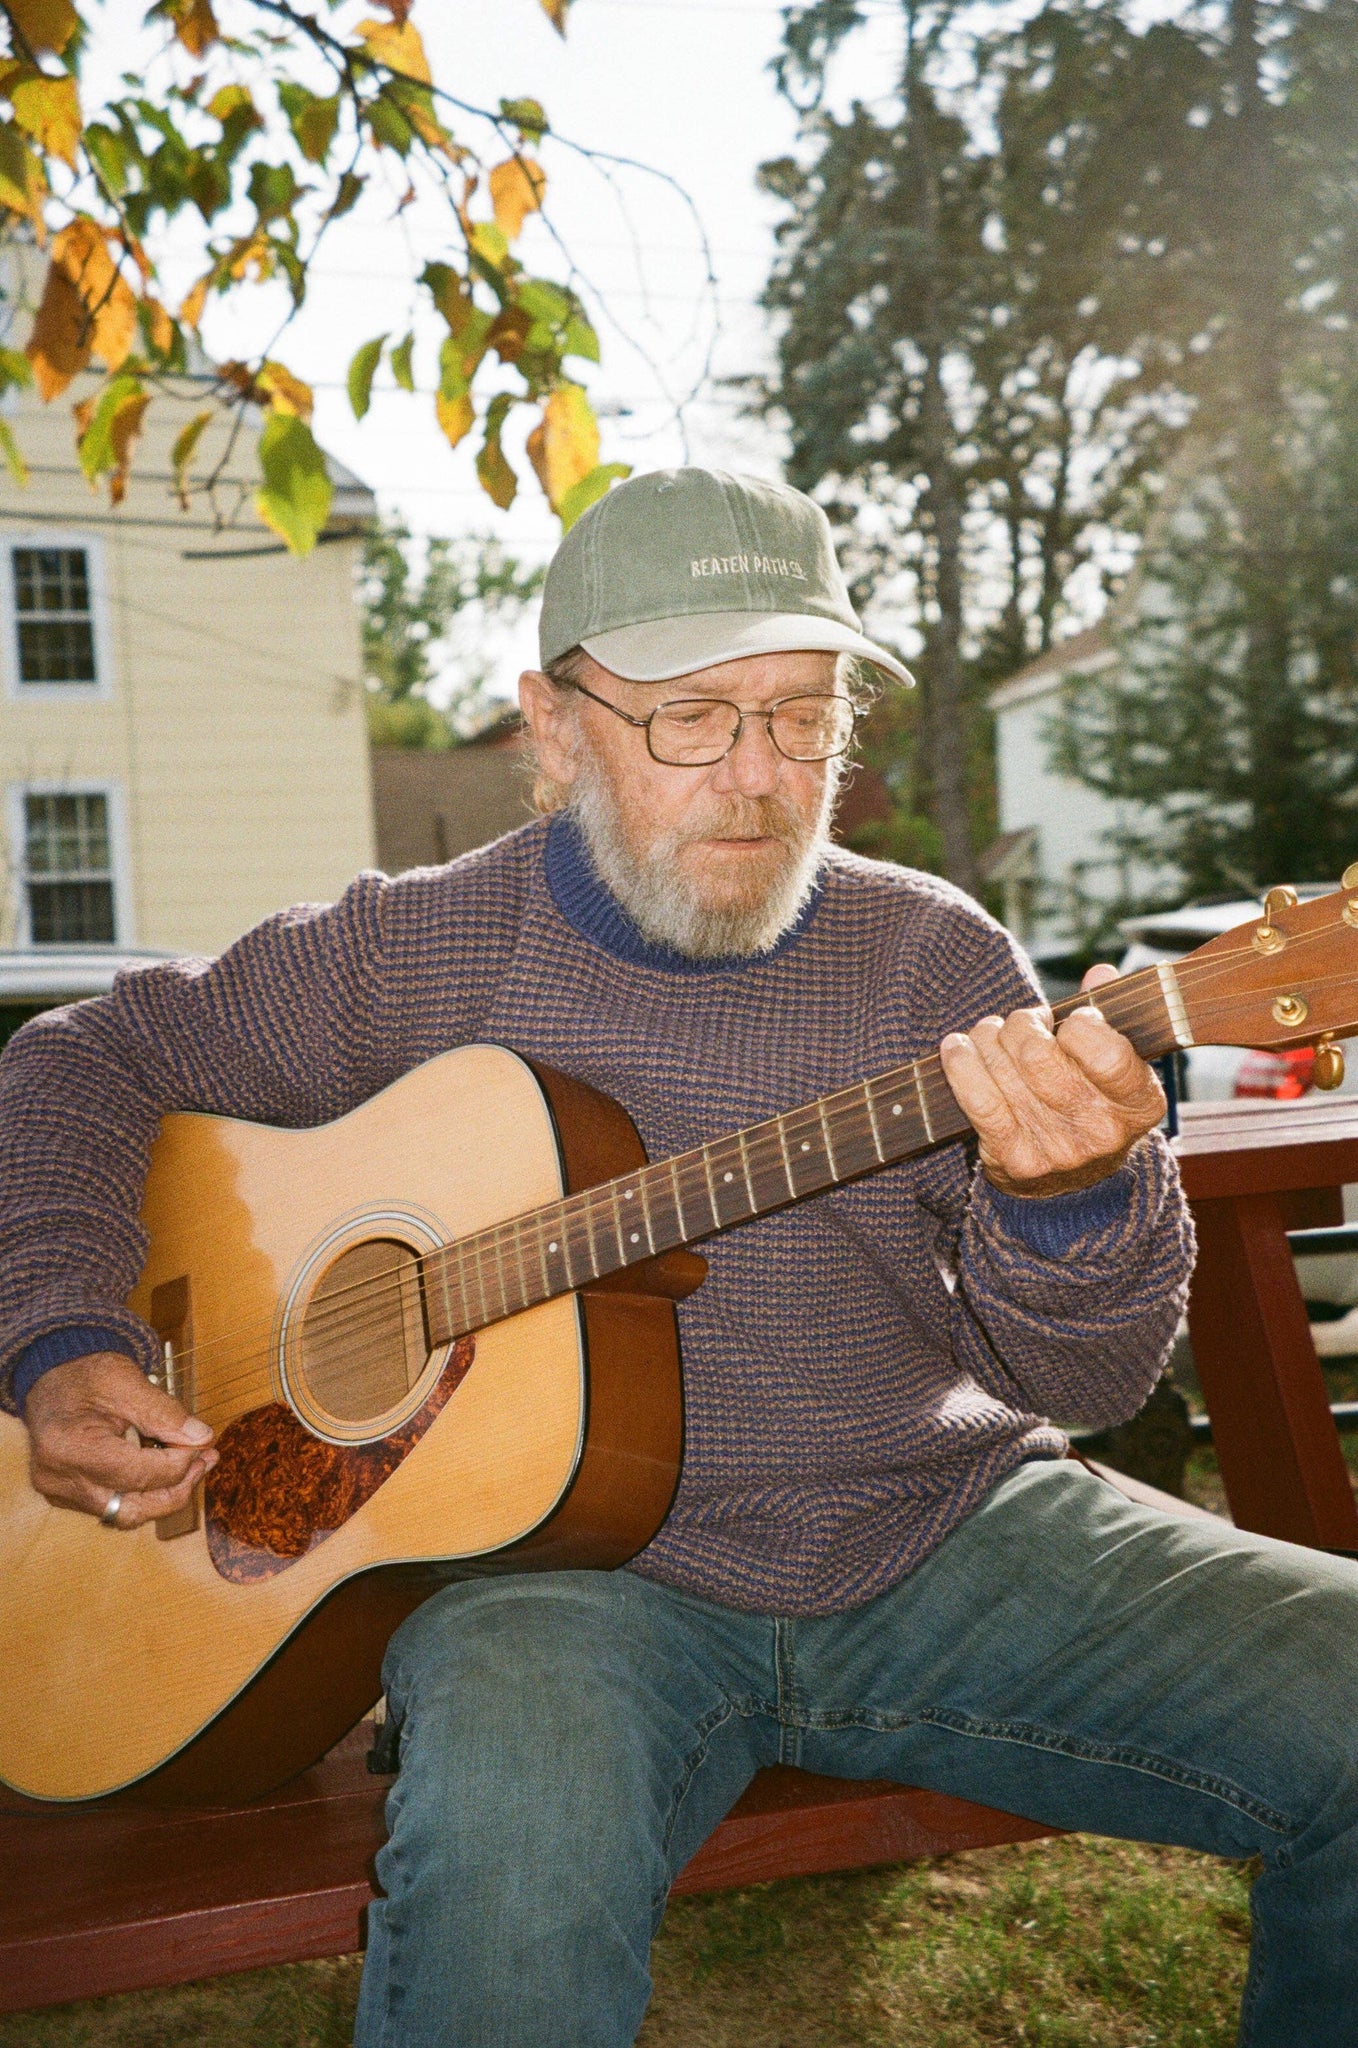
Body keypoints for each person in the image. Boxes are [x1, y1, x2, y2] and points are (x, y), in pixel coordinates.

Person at [2, 467, 1356, 2048]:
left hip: (938, 1536)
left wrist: (1069, 1200)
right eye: (692, 719)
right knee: (510, 1899)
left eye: (802, 714)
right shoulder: (407, 949)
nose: (761, 776)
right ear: (555, 726)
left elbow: (1084, 1374)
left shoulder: (933, 955)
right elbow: (77, 1061)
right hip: (553, 1595)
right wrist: (65, 1335)